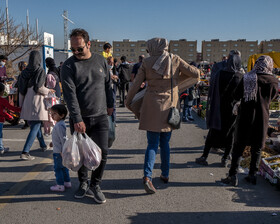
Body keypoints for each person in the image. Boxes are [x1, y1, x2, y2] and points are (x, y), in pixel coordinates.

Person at [125, 38, 200, 194]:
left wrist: (128, 101)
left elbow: (137, 84)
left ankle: (147, 177)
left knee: (152, 144)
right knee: (165, 142)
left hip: (151, 105)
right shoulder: (175, 59)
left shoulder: (146, 62)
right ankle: (165, 174)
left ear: (151, 47)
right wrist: (177, 81)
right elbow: (196, 73)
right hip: (169, 106)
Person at [61, 28, 114, 204]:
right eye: (73, 49)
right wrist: (77, 119)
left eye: (79, 48)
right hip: (80, 118)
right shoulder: (68, 66)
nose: (76, 52)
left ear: (88, 44)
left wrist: (110, 104)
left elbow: (107, 84)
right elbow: (70, 95)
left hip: (100, 116)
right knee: (81, 154)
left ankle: (95, 184)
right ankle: (83, 183)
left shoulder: (100, 60)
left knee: (103, 152)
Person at [221, 55, 278, 186]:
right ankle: (252, 175)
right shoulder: (273, 81)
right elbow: (273, 97)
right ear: (270, 65)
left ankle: (232, 176)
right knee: (257, 148)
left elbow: (236, 95)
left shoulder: (247, 77)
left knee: (238, 147)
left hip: (245, 117)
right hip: (262, 118)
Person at [195, 50, 244, 167]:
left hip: (218, 107)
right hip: (233, 110)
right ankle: (225, 158)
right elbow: (241, 95)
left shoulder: (220, 73)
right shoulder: (241, 76)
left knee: (213, 132)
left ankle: (204, 156)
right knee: (230, 134)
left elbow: (212, 88)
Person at [18, 50, 54, 160]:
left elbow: (21, 89)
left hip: (27, 101)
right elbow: (39, 88)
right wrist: (50, 91)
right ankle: (25, 152)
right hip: (37, 100)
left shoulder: (24, 72)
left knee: (35, 124)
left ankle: (43, 145)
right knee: (35, 126)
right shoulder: (40, 70)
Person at [49, 104, 71, 192]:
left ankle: (60, 185)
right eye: (51, 113)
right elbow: (59, 138)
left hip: (59, 152)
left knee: (58, 169)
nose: (52, 115)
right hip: (59, 150)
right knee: (64, 167)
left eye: (54, 114)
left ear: (61, 115)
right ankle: (67, 182)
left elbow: (63, 138)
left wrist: (63, 151)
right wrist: (53, 143)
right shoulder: (59, 124)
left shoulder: (59, 125)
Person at [0, 83, 21, 155]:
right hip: (0, 120)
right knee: (0, 135)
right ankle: (1, 148)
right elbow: (10, 108)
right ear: (2, 91)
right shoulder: (2, 100)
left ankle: (1, 147)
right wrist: (10, 116)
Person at [43, 57, 61, 136]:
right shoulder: (56, 69)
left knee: (52, 111)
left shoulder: (51, 71)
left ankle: (53, 127)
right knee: (56, 110)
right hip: (58, 91)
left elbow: (50, 84)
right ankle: (56, 125)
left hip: (52, 94)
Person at [17, 61, 29, 129]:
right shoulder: (24, 73)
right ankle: (26, 122)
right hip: (24, 92)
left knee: (24, 108)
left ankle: (27, 123)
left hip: (23, 92)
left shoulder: (24, 74)